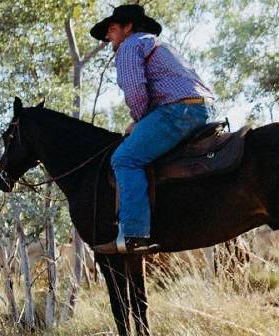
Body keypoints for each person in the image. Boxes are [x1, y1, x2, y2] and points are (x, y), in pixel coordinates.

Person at [90, 5, 216, 255]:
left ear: (128, 27)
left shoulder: (129, 46)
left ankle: (135, 235)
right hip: (203, 108)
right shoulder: (159, 45)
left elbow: (135, 89)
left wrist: (138, 120)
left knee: (125, 159)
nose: (108, 38)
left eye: (112, 29)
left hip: (178, 111)